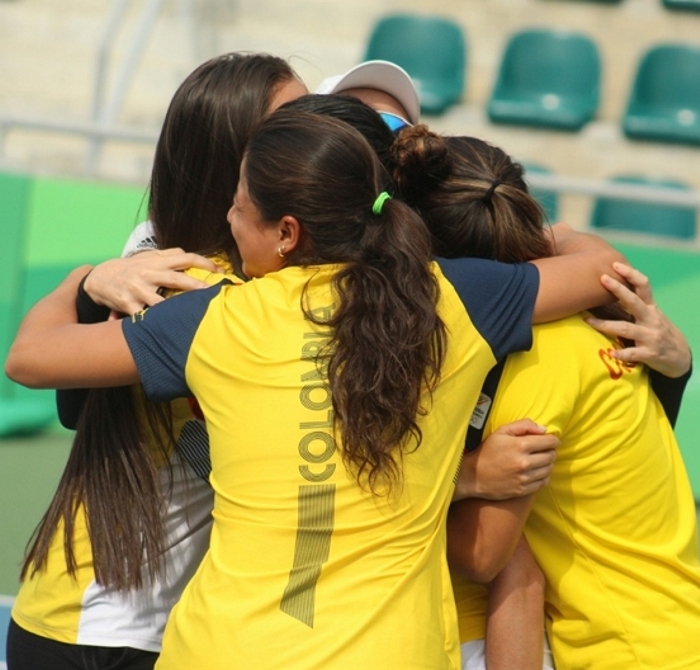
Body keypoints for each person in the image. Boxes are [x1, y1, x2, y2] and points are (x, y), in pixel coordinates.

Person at [6, 106, 647, 669]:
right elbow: (603, 270)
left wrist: (87, 277)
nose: (228, 218)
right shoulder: (455, 297)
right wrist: (545, 233)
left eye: (239, 206)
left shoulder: (212, 315)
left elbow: (32, 359)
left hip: (222, 653)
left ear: (287, 233)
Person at [5, 52, 308, 670]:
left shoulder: (151, 246)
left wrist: (88, 278)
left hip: (94, 617)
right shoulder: (208, 291)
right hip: (106, 632)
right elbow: (29, 360)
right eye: (291, 125)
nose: (312, 135)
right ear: (235, 162)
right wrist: (87, 280)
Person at [391, 128, 698, 670]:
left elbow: (484, 553)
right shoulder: (594, 321)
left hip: (618, 649)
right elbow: (581, 242)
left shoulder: (526, 358)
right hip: (670, 626)